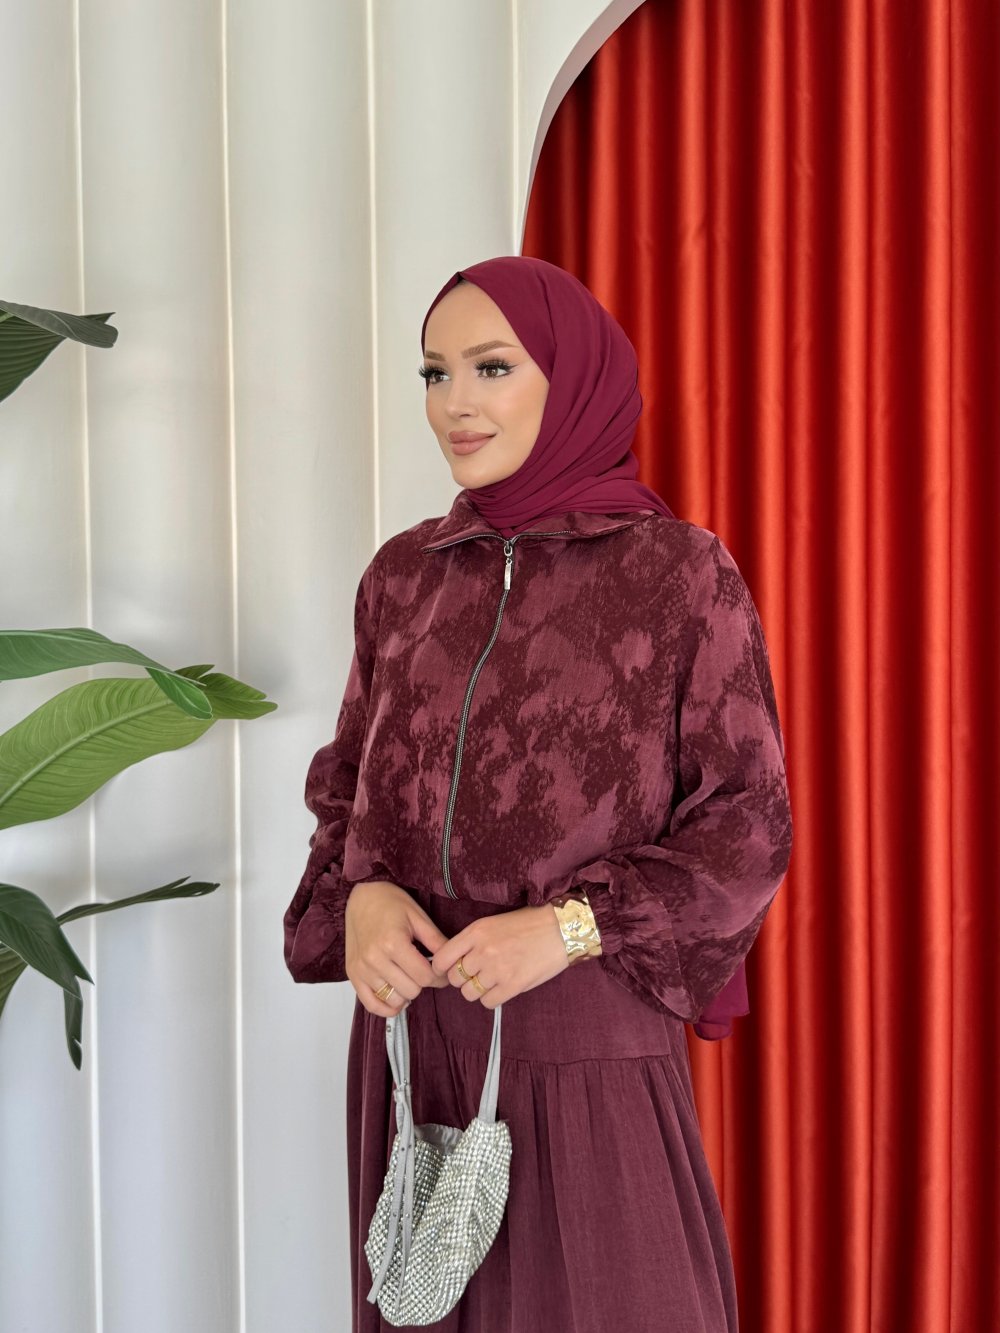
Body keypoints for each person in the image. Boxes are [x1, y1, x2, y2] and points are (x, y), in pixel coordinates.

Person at [283, 255, 794, 1332]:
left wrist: (568, 926)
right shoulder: (405, 576)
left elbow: (747, 823)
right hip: (414, 1048)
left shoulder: (676, 574)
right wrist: (359, 897)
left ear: (573, 380)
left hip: (583, 1037)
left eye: (492, 366)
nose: (454, 403)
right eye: (434, 373)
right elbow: (346, 785)